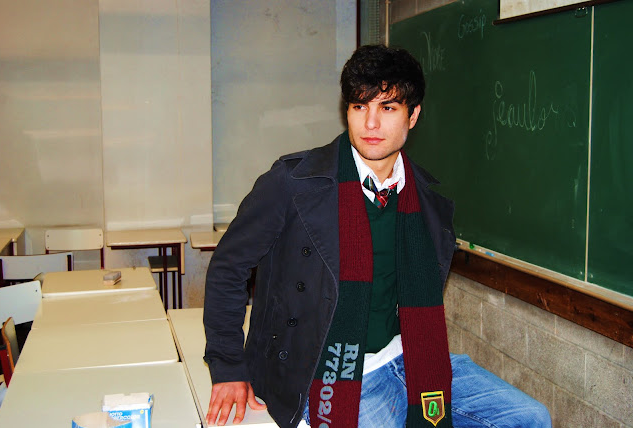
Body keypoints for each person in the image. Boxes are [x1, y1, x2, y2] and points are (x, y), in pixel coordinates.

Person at [203, 44, 552, 428]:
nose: (370, 123)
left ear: (412, 115)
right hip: (329, 368)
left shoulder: (425, 202)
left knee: (531, 418)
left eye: (387, 108)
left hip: (409, 358)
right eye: (359, 106)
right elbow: (228, 267)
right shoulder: (294, 183)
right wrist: (228, 366)